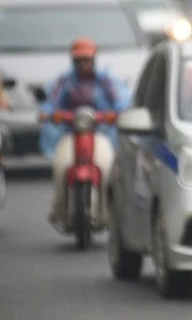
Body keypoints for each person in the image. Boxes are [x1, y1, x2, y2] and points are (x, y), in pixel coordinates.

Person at [40, 38, 129, 227]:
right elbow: (50, 102)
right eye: (79, 60)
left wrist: (117, 114)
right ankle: (60, 208)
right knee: (60, 166)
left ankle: (109, 212)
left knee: (107, 168)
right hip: (71, 134)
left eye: (86, 60)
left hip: (100, 133)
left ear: (93, 60)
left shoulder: (105, 81)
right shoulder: (64, 82)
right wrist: (48, 113)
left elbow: (120, 102)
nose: (83, 64)